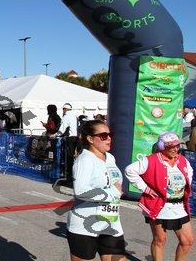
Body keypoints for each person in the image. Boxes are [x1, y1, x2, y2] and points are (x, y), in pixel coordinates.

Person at [125, 132, 194, 261]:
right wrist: (145, 188)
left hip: (179, 207)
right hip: (159, 206)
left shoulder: (182, 160)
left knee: (187, 241)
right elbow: (130, 170)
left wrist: (183, 186)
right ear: (162, 146)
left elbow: (189, 173)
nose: (175, 149)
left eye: (177, 146)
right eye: (171, 146)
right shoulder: (151, 160)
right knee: (160, 239)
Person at [66, 120, 126, 261]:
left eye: (110, 134)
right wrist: (112, 193)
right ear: (90, 139)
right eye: (103, 135)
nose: (109, 138)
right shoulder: (85, 160)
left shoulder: (110, 158)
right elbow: (81, 191)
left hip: (110, 222)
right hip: (85, 224)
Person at [59, 103, 79, 182]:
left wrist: (55, 135)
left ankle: (67, 177)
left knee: (68, 158)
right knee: (71, 157)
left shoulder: (66, 116)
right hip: (75, 138)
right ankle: (71, 175)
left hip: (69, 138)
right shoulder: (74, 116)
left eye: (63, 109)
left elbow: (62, 129)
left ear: (65, 109)